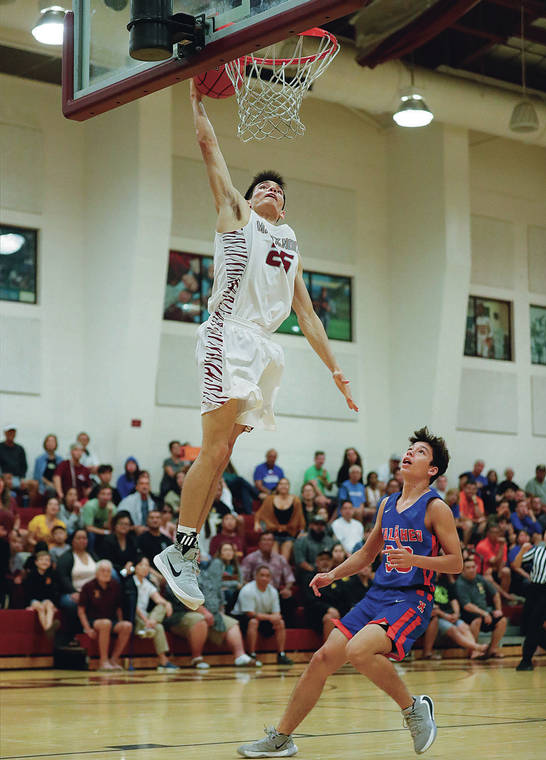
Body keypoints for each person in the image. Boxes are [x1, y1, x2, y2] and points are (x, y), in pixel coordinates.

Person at [154, 80, 357, 611]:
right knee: (213, 446)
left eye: (277, 190)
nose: (269, 189)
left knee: (222, 455)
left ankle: (184, 552)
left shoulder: (289, 243)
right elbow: (210, 150)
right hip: (228, 333)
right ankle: (181, 550)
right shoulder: (236, 216)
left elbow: (307, 314)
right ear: (247, 198)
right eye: (261, 186)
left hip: (264, 349)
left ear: (284, 210)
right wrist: (197, 100)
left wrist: (336, 370)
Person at [238, 426, 459, 758]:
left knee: (358, 651)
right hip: (377, 596)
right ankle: (282, 737)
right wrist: (332, 574)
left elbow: (455, 562)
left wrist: (414, 558)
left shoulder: (436, 507)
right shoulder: (387, 504)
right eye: (410, 448)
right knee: (322, 659)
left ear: (432, 470)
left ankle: (413, 708)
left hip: (412, 598)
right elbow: (367, 554)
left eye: (421, 451)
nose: (410, 452)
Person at [77, 559, 132, 671]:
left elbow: (118, 608)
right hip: (93, 621)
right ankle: (103, 662)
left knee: (127, 626)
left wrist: (120, 621)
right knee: (106, 623)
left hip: (111, 621)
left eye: (108, 571)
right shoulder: (88, 586)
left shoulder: (115, 585)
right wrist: (87, 629)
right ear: (96, 572)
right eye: (103, 571)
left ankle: (114, 659)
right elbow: (81, 610)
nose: (106, 573)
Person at [233, 565, 293, 665]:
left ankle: (281, 655)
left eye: (267, 576)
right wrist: (272, 617)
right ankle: (251, 654)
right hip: (242, 619)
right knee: (253, 622)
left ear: (270, 578)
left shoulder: (273, 591)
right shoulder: (247, 590)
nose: (265, 578)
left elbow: (276, 613)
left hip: (263, 617)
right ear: (256, 576)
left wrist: (276, 618)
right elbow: (250, 614)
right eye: (262, 575)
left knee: (280, 622)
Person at [421, 573, 487, 660]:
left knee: (465, 627)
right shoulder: (424, 584)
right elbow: (433, 609)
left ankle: (474, 652)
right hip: (439, 617)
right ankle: (477, 647)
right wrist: (445, 616)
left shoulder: (445, 582)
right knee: (453, 629)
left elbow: (453, 599)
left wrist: (456, 613)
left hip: (451, 616)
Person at [130, 557, 179, 672]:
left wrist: (167, 604)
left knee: (162, 607)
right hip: (135, 617)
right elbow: (133, 606)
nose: (145, 568)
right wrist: (146, 621)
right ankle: (163, 661)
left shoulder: (147, 584)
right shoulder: (130, 582)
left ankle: (163, 660)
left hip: (147, 619)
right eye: (142, 565)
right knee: (159, 627)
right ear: (136, 567)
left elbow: (158, 599)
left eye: (147, 565)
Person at [455, 557, 508, 659]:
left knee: (502, 621)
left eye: (473, 567)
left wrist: (498, 609)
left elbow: (495, 594)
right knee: (477, 620)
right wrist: (484, 613)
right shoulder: (460, 584)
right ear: (462, 570)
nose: (471, 569)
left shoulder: (479, 578)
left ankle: (492, 650)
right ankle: (473, 651)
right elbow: (466, 605)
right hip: (468, 614)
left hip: (485, 612)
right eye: (468, 567)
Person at [241, 532, 296, 624]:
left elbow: (289, 578)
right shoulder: (250, 558)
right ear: (259, 543)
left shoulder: (280, 559)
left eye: (269, 540)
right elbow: (242, 578)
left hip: (274, 592)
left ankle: (285, 626)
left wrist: (287, 589)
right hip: (256, 592)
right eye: (264, 540)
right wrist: (252, 589)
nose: (267, 542)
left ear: (273, 543)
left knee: (290, 600)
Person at [513, 528, 546, 670]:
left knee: (535, 624)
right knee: (530, 625)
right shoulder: (537, 551)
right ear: (543, 536)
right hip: (534, 590)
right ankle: (527, 658)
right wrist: (522, 550)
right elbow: (515, 565)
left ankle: (526, 660)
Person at [253, 478, 304, 561]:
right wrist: (256, 523)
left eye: (286, 484)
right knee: (275, 559)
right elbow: (259, 514)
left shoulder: (296, 500)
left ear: (289, 486)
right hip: (273, 534)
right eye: (281, 484)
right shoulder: (270, 499)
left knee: (284, 560)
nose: (283, 486)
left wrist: (301, 531)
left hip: (289, 534)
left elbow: (300, 518)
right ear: (277, 486)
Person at [57, 529, 98, 630]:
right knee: (71, 603)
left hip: (93, 592)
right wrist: (74, 592)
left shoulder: (92, 555)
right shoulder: (66, 557)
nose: (82, 540)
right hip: (72, 592)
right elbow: (63, 578)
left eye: (84, 538)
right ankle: (73, 634)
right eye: (79, 538)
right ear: (72, 540)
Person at [24, 550, 60, 636]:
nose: (45, 562)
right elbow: (27, 592)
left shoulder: (51, 574)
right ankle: (48, 629)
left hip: (46, 600)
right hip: (34, 600)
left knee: (49, 606)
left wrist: (54, 604)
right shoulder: (31, 575)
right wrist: (28, 605)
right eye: (42, 560)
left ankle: (48, 629)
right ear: (36, 562)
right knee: (40, 608)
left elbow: (53, 592)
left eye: (47, 560)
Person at [293, 515, 335, 584]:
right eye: (316, 524)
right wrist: (316, 571)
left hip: (327, 571)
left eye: (321, 525)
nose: (319, 527)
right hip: (309, 572)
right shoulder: (301, 541)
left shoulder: (330, 541)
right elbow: (300, 561)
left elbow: (336, 555)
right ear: (310, 525)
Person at [99, 511, 141, 579]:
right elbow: (107, 561)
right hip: (114, 569)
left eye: (127, 524)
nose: (124, 526)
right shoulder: (108, 540)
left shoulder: (132, 539)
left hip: (129, 569)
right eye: (121, 524)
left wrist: (130, 563)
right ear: (115, 525)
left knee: (140, 570)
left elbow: (136, 556)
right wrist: (123, 569)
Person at [82, 485, 115, 551]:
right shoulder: (90, 505)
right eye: (103, 494)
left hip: (102, 530)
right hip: (89, 531)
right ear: (98, 495)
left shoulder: (113, 508)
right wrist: (105, 532)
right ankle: (90, 554)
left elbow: (110, 527)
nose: (106, 497)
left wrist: (110, 513)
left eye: (108, 494)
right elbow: (88, 527)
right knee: (91, 536)